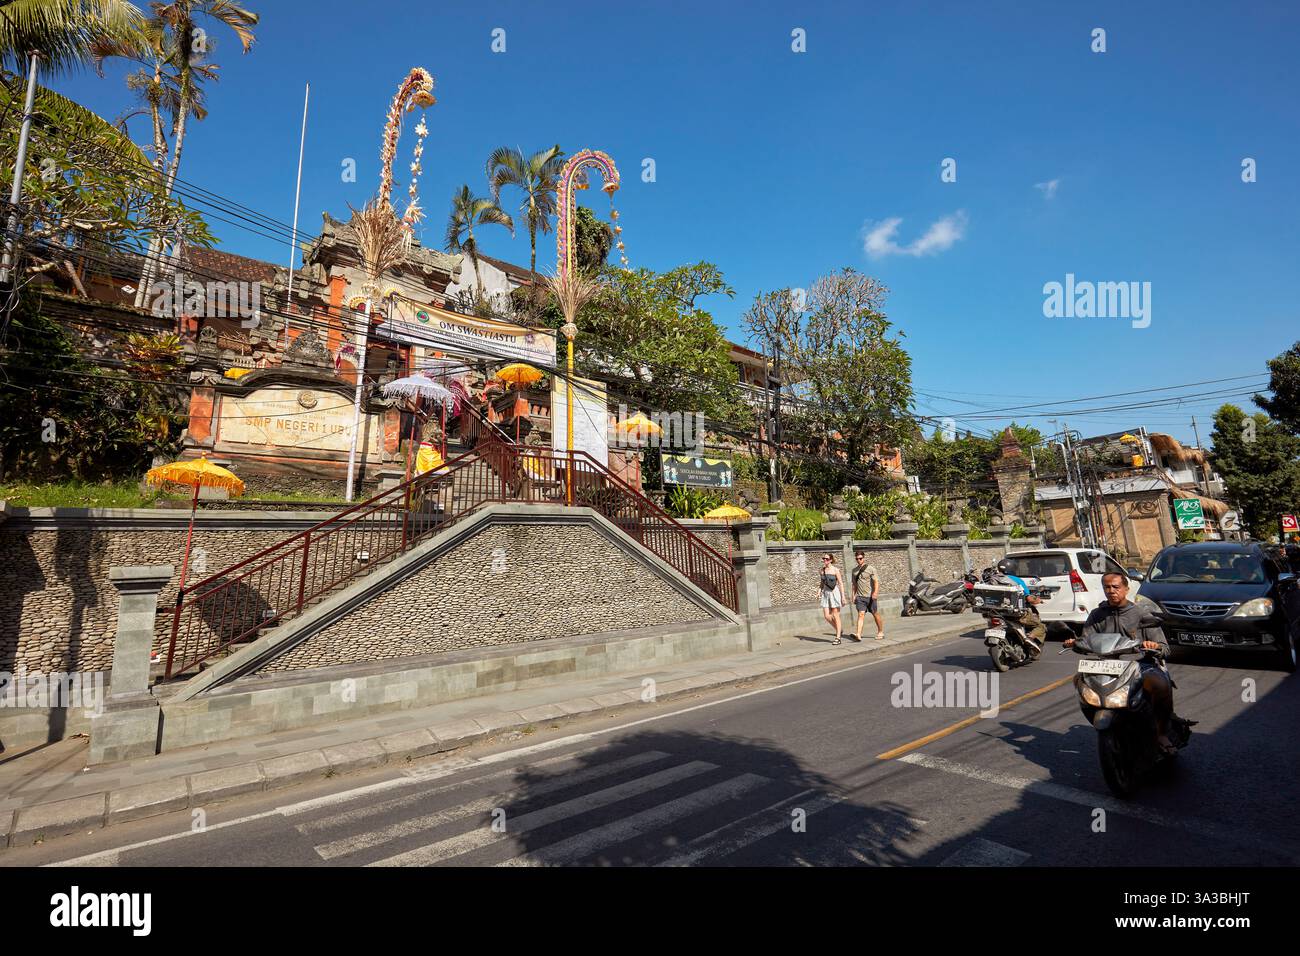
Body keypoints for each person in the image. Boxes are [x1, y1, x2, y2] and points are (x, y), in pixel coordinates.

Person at [1064, 572, 1176, 754]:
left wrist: (1153, 645)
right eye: (1107, 587)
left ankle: (1162, 733)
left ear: (1126, 589)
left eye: (1116, 587)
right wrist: (1074, 643)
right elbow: (1085, 642)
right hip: (1106, 667)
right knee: (1079, 681)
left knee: (1160, 685)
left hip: (1139, 665)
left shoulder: (1141, 613)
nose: (1111, 591)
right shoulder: (1096, 615)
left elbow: (1164, 648)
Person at [993, 559, 1047, 652]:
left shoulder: (992, 579)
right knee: (1041, 627)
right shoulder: (1017, 580)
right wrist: (1038, 600)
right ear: (1013, 568)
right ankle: (1029, 639)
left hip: (995, 612)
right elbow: (1029, 598)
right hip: (1015, 614)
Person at [851, 550, 884, 642]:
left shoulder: (871, 569)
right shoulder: (854, 571)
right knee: (861, 614)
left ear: (863, 558)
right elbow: (854, 585)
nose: (859, 560)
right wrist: (853, 595)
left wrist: (875, 593)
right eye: (857, 559)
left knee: (875, 614)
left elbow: (876, 582)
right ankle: (858, 634)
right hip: (860, 597)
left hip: (870, 596)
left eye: (860, 558)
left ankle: (880, 631)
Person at [819, 552, 845, 645]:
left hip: (834, 593)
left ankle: (838, 637)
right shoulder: (822, 570)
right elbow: (822, 583)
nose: (824, 560)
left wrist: (843, 597)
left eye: (826, 559)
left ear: (830, 560)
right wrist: (819, 591)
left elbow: (841, 583)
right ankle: (839, 629)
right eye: (823, 559)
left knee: (835, 615)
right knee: (827, 616)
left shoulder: (835, 570)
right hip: (826, 594)